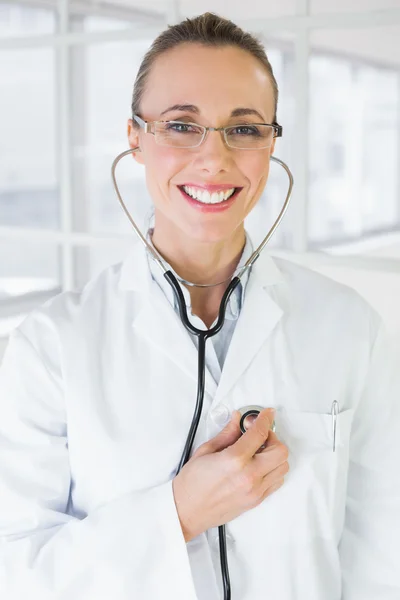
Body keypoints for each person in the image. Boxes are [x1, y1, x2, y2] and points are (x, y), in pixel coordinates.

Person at [0, 11, 399, 600]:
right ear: (135, 138)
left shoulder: (349, 327)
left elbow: (381, 560)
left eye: (244, 129)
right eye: (181, 126)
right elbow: (18, 573)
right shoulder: (52, 344)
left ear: (271, 142)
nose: (214, 159)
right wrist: (176, 515)